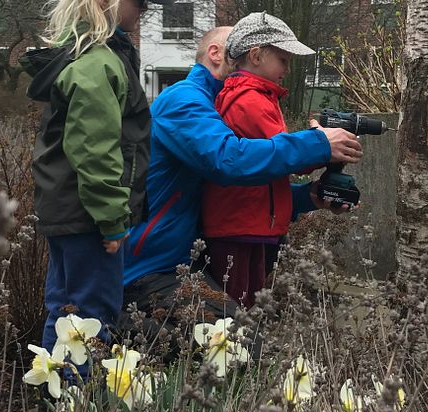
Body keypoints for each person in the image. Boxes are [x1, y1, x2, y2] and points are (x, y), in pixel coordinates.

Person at [119, 26, 362, 323]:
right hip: (149, 271)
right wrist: (318, 143)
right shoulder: (184, 101)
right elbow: (228, 160)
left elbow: (234, 193)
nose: (246, 58)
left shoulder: (221, 105)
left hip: (184, 262)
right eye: (238, 51)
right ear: (216, 53)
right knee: (237, 345)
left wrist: (309, 196)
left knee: (242, 339)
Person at [20, 0, 170, 358]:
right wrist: (112, 221)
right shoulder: (99, 64)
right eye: (139, 4)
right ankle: (76, 401)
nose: (142, 13)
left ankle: (55, 400)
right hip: (89, 217)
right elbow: (95, 150)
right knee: (91, 316)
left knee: (64, 311)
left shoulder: (80, 59)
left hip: (67, 212)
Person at [202, 12, 318, 307]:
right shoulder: (249, 99)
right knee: (237, 309)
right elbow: (289, 157)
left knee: (243, 306)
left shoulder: (259, 96)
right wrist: (324, 145)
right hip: (240, 226)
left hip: (248, 223)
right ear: (255, 55)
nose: (287, 69)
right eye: (283, 59)